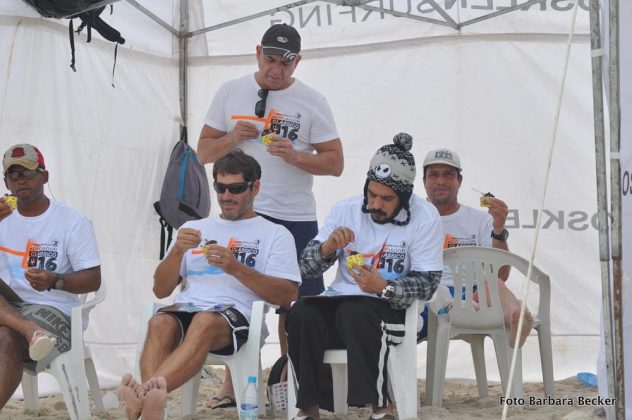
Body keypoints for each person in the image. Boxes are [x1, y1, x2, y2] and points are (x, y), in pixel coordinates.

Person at [197, 23, 343, 405]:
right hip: (240, 217)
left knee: (295, 305)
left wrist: (296, 156)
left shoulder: (313, 100)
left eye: (286, 62)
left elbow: (336, 163)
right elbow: (202, 153)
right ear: (257, 52)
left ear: (298, 61)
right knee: (233, 294)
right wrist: (232, 138)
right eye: (271, 59)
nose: (277, 69)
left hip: (294, 216)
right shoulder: (230, 91)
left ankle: (291, 379)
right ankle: (233, 387)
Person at [118, 150, 301, 420]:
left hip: (237, 318)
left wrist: (235, 268)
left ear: (256, 187)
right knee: (159, 322)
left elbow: (288, 296)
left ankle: (143, 398)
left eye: (236, 188)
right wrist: (177, 252)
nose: (226, 196)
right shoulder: (192, 228)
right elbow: (161, 290)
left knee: (204, 320)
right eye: (220, 188)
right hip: (190, 309)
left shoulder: (275, 233)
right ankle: (151, 408)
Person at [287, 133, 443, 420]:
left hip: (395, 313)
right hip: (342, 306)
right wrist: (327, 248)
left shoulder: (425, 217)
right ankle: (308, 408)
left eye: (386, 198)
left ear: (405, 196)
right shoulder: (345, 209)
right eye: (371, 194)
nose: (376, 204)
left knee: (356, 311)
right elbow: (306, 269)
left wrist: (384, 287)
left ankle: (382, 407)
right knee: (301, 312)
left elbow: (428, 284)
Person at [0, 144, 102, 409]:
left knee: (6, 338)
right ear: (5, 182)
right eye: (13, 174)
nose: (20, 179)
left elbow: (93, 279)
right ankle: (29, 330)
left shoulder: (71, 221)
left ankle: (28, 329)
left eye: (28, 172)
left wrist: (55, 280)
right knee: (8, 334)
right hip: (9, 305)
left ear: (45, 176)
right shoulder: (2, 217)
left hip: (53, 310)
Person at [420, 148, 533, 347]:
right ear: (424, 181)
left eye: (448, 174)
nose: (441, 181)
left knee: (494, 284)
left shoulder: (481, 220)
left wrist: (498, 229)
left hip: (473, 295)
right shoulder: (413, 217)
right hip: (428, 296)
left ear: (459, 181)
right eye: (434, 175)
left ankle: (517, 318)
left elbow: (501, 274)